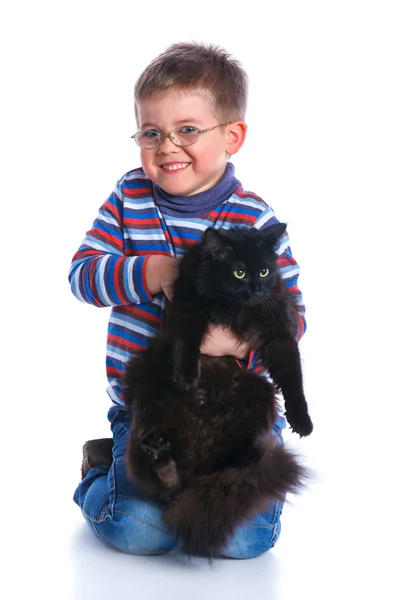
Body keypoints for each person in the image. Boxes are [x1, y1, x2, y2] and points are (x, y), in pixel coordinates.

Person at [69, 42, 306, 559]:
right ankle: (101, 473)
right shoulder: (129, 199)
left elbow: (295, 319)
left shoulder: (254, 220)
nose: (167, 146)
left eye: (188, 130)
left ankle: (257, 455)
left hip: (232, 412)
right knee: (138, 530)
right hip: (153, 409)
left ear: (232, 136)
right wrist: (152, 271)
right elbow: (82, 275)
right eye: (151, 133)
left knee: (245, 541)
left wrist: (235, 341)